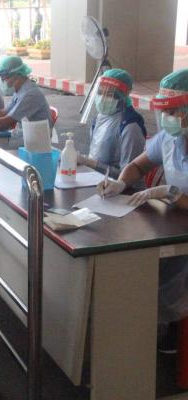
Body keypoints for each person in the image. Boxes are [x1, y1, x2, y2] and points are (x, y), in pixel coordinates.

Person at [96, 69, 188, 352]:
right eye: (165, 111)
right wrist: (121, 182)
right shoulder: (170, 138)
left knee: (175, 277)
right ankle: (151, 322)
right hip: (176, 223)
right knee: (144, 263)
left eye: (173, 111)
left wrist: (173, 194)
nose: (167, 118)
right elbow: (137, 165)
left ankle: (175, 327)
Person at [77, 69, 147, 179]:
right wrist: (85, 161)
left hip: (118, 186)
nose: (102, 98)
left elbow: (128, 176)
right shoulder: (100, 117)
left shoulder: (130, 126)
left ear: (122, 96)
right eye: (100, 92)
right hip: (95, 178)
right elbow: (96, 155)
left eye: (109, 94)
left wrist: (91, 163)